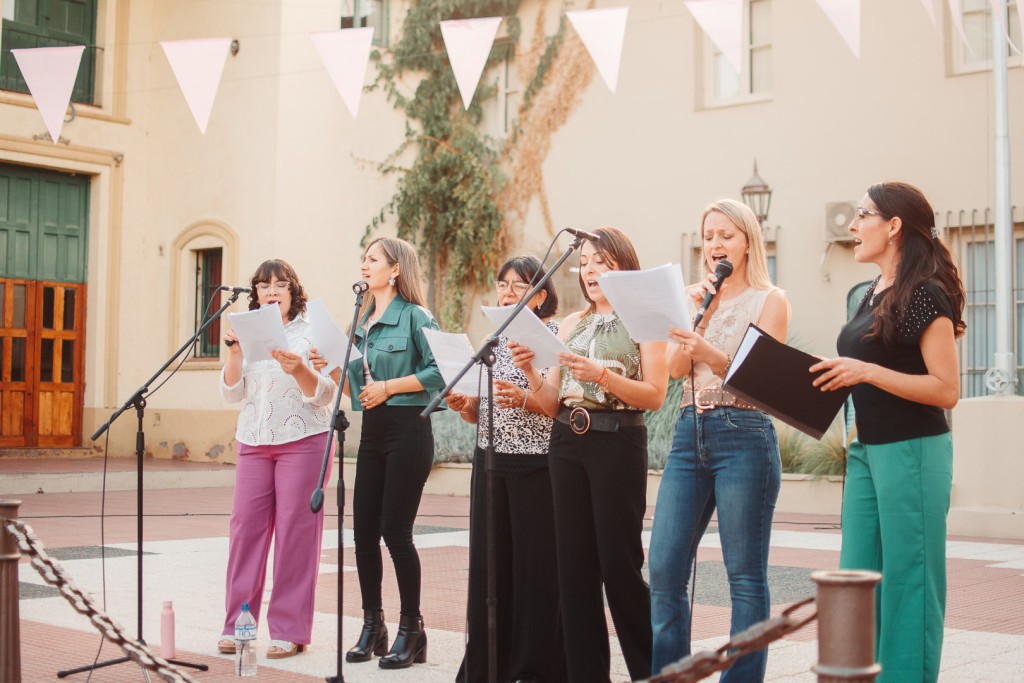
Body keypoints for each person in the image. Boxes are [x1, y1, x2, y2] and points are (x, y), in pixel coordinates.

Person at [810, 181, 965, 683]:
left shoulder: (926, 294)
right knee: (856, 579)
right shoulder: (865, 293)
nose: (852, 227)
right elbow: (859, 366)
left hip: (913, 452)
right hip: (867, 452)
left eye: (862, 216)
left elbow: (946, 389)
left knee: (909, 584)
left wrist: (866, 373)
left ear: (894, 226)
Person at [510, 226, 668, 683]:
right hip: (565, 441)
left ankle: (649, 673)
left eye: (603, 260)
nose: (591, 268)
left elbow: (655, 394)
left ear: (624, 266)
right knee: (573, 574)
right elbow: (549, 402)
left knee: (620, 567)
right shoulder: (569, 324)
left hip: (616, 441)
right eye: (585, 261)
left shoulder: (645, 318)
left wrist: (602, 374)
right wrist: (529, 373)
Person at [648, 199, 790, 681]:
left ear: (747, 242)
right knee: (665, 568)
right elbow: (673, 370)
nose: (714, 245)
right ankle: (671, 674)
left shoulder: (771, 300)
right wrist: (699, 317)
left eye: (725, 235)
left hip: (744, 433)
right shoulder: (694, 299)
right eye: (708, 236)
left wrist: (711, 351)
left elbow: (764, 381)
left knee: (745, 577)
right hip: (690, 432)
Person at [448, 255, 566, 683]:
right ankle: (488, 665)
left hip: (536, 466)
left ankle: (533, 668)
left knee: (534, 571)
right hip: (491, 463)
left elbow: (556, 407)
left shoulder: (555, 336)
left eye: (520, 285)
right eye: (503, 284)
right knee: (491, 571)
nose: (509, 291)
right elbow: (482, 412)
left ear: (541, 295)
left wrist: (526, 399)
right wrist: (466, 406)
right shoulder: (491, 342)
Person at [218, 259, 337, 659]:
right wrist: (235, 353)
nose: (272, 291)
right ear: (255, 293)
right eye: (265, 285)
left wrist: (301, 368)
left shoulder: (312, 330)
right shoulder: (249, 330)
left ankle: (289, 630)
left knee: (295, 535)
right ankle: (238, 625)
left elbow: (327, 394)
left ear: (293, 291)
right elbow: (232, 393)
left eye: (281, 285)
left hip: (304, 439)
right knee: (245, 532)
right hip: (254, 439)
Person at [343, 236, 445, 670]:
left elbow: (442, 370)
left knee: (395, 531)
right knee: (363, 531)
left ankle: (412, 629)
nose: (364, 266)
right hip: (373, 432)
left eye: (373, 259)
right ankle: (373, 625)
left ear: (395, 269)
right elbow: (358, 385)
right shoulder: (363, 319)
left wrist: (389, 386)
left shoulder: (416, 316)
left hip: (409, 429)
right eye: (363, 258)